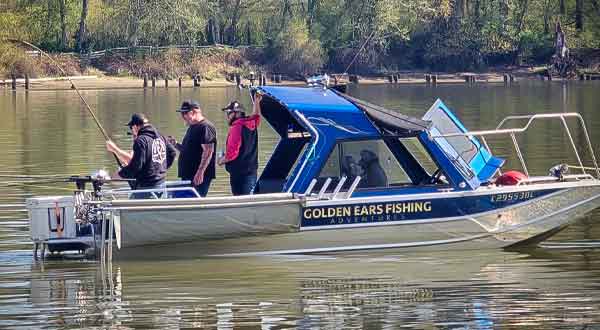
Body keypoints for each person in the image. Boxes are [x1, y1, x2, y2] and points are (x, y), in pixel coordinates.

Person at [106, 113, 176, 198]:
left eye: (131, 128)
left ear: (135, 126)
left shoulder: (141, 140)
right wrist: (161, 169)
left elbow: (135, 167)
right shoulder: (161, 136)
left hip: (146, 189)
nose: (132, 131)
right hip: (161, 185)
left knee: (131, 210)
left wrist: (112, 177)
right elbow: (172, 152)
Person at [169, 100, 217, 197]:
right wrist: (175, 144)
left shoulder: (205, 127)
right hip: (189, 175)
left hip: (198, 177)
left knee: (192, 204)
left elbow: (208, 151)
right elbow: (188, 151)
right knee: (183, 204)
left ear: (194, 112)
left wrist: (200, 172)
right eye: (182, 113)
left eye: (185, 113)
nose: (183, 116)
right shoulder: (193, 126)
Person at [217, 93, 262, 195]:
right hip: (251, 172)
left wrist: (221, 160)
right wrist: (256, 101)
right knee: (249, 201)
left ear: (237, 113)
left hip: (239, 175)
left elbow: (232, 154)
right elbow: (257, 116)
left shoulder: (237, 127)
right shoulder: (251, 123)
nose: (227, 116)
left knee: (241, 202)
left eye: (229, 113)